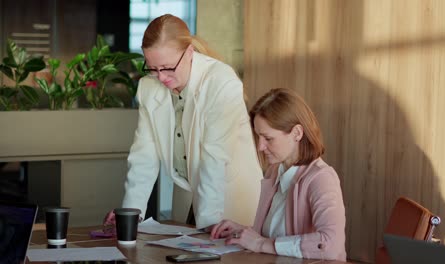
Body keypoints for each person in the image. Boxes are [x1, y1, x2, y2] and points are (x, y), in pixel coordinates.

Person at [103, 14, 262, 230]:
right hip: (187, 196)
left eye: (167, 67)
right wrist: (131, 215)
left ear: (189, 53)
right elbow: (144, 156)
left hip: (229, 197)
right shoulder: (149, 88)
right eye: (152, 67)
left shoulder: (221, 81)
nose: (160, 78)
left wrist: (207, 231)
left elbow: (213, 159)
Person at [210, 88, 347, 261]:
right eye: (259, 137)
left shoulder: (322, 178)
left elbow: (331, 245)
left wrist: (259, 244)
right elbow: (274, 236)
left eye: (268, 138)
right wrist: (244, 232)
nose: (260, 147)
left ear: (297, 133)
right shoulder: (275, 172)